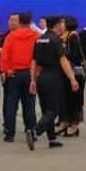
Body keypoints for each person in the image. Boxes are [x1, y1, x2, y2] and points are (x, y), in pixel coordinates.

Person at [30, 13, 78, 149]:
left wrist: (33, 80)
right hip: (54, 78)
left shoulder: (39, 39)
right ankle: (34, 132)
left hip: (41, 77)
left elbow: (33, 62)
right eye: (62, 23)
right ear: (57, 25)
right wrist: (72, 78)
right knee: (54, 111)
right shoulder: (56, 40)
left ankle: (52, 139)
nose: (63, 25)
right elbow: (63, 61)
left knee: (47, 111)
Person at [0, 12, 38, 142]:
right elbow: (39, 56)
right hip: (30, 74)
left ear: (19, 22)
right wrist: (37, 72)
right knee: (30, 105)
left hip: (14, 74)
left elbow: (4, 55)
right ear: (31, 22)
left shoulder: (11, 36)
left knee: (11, 105)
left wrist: (6, 70)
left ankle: (9, 134)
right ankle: (31, 130)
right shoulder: (36, 36)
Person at [61, 15, 86, 136]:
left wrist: (63, 51)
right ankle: (68, 122)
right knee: (68, 98)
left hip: (75, 72)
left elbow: (74, 56)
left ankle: (75, 124)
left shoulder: (73, 37)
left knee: (75, 98)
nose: (61, 25)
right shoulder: (65, 36)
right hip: (68, 72)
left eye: (63, 22)